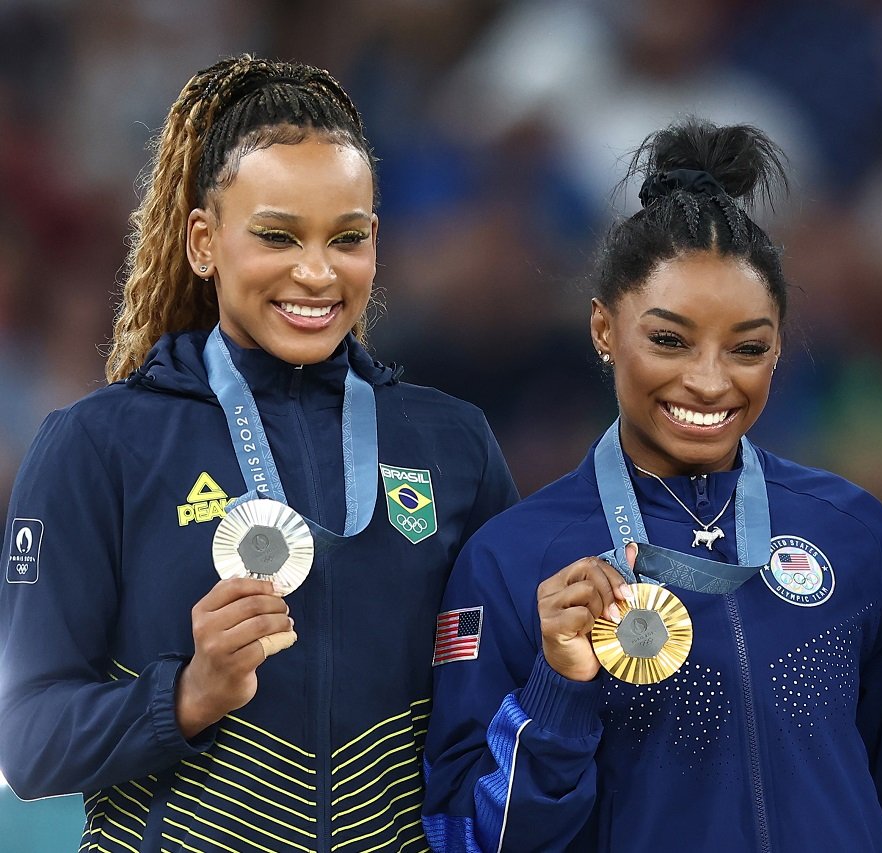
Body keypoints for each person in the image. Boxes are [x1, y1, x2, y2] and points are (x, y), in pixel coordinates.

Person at [0, 56, 518, 852]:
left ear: (375, 242)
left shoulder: (453, 445)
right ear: (204, 241)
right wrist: (188, 692)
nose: (316, 272)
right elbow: (25, 743)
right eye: (277, 235)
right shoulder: (99, 445)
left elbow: (493, 716)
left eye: (346, 238)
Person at [420, 118, 882, 852]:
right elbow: (467, 837)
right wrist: (558, 686)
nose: (708, 380)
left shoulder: (853, 531)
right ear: (604, 329)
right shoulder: (514, 559)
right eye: (668, 340)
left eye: (748, 347)